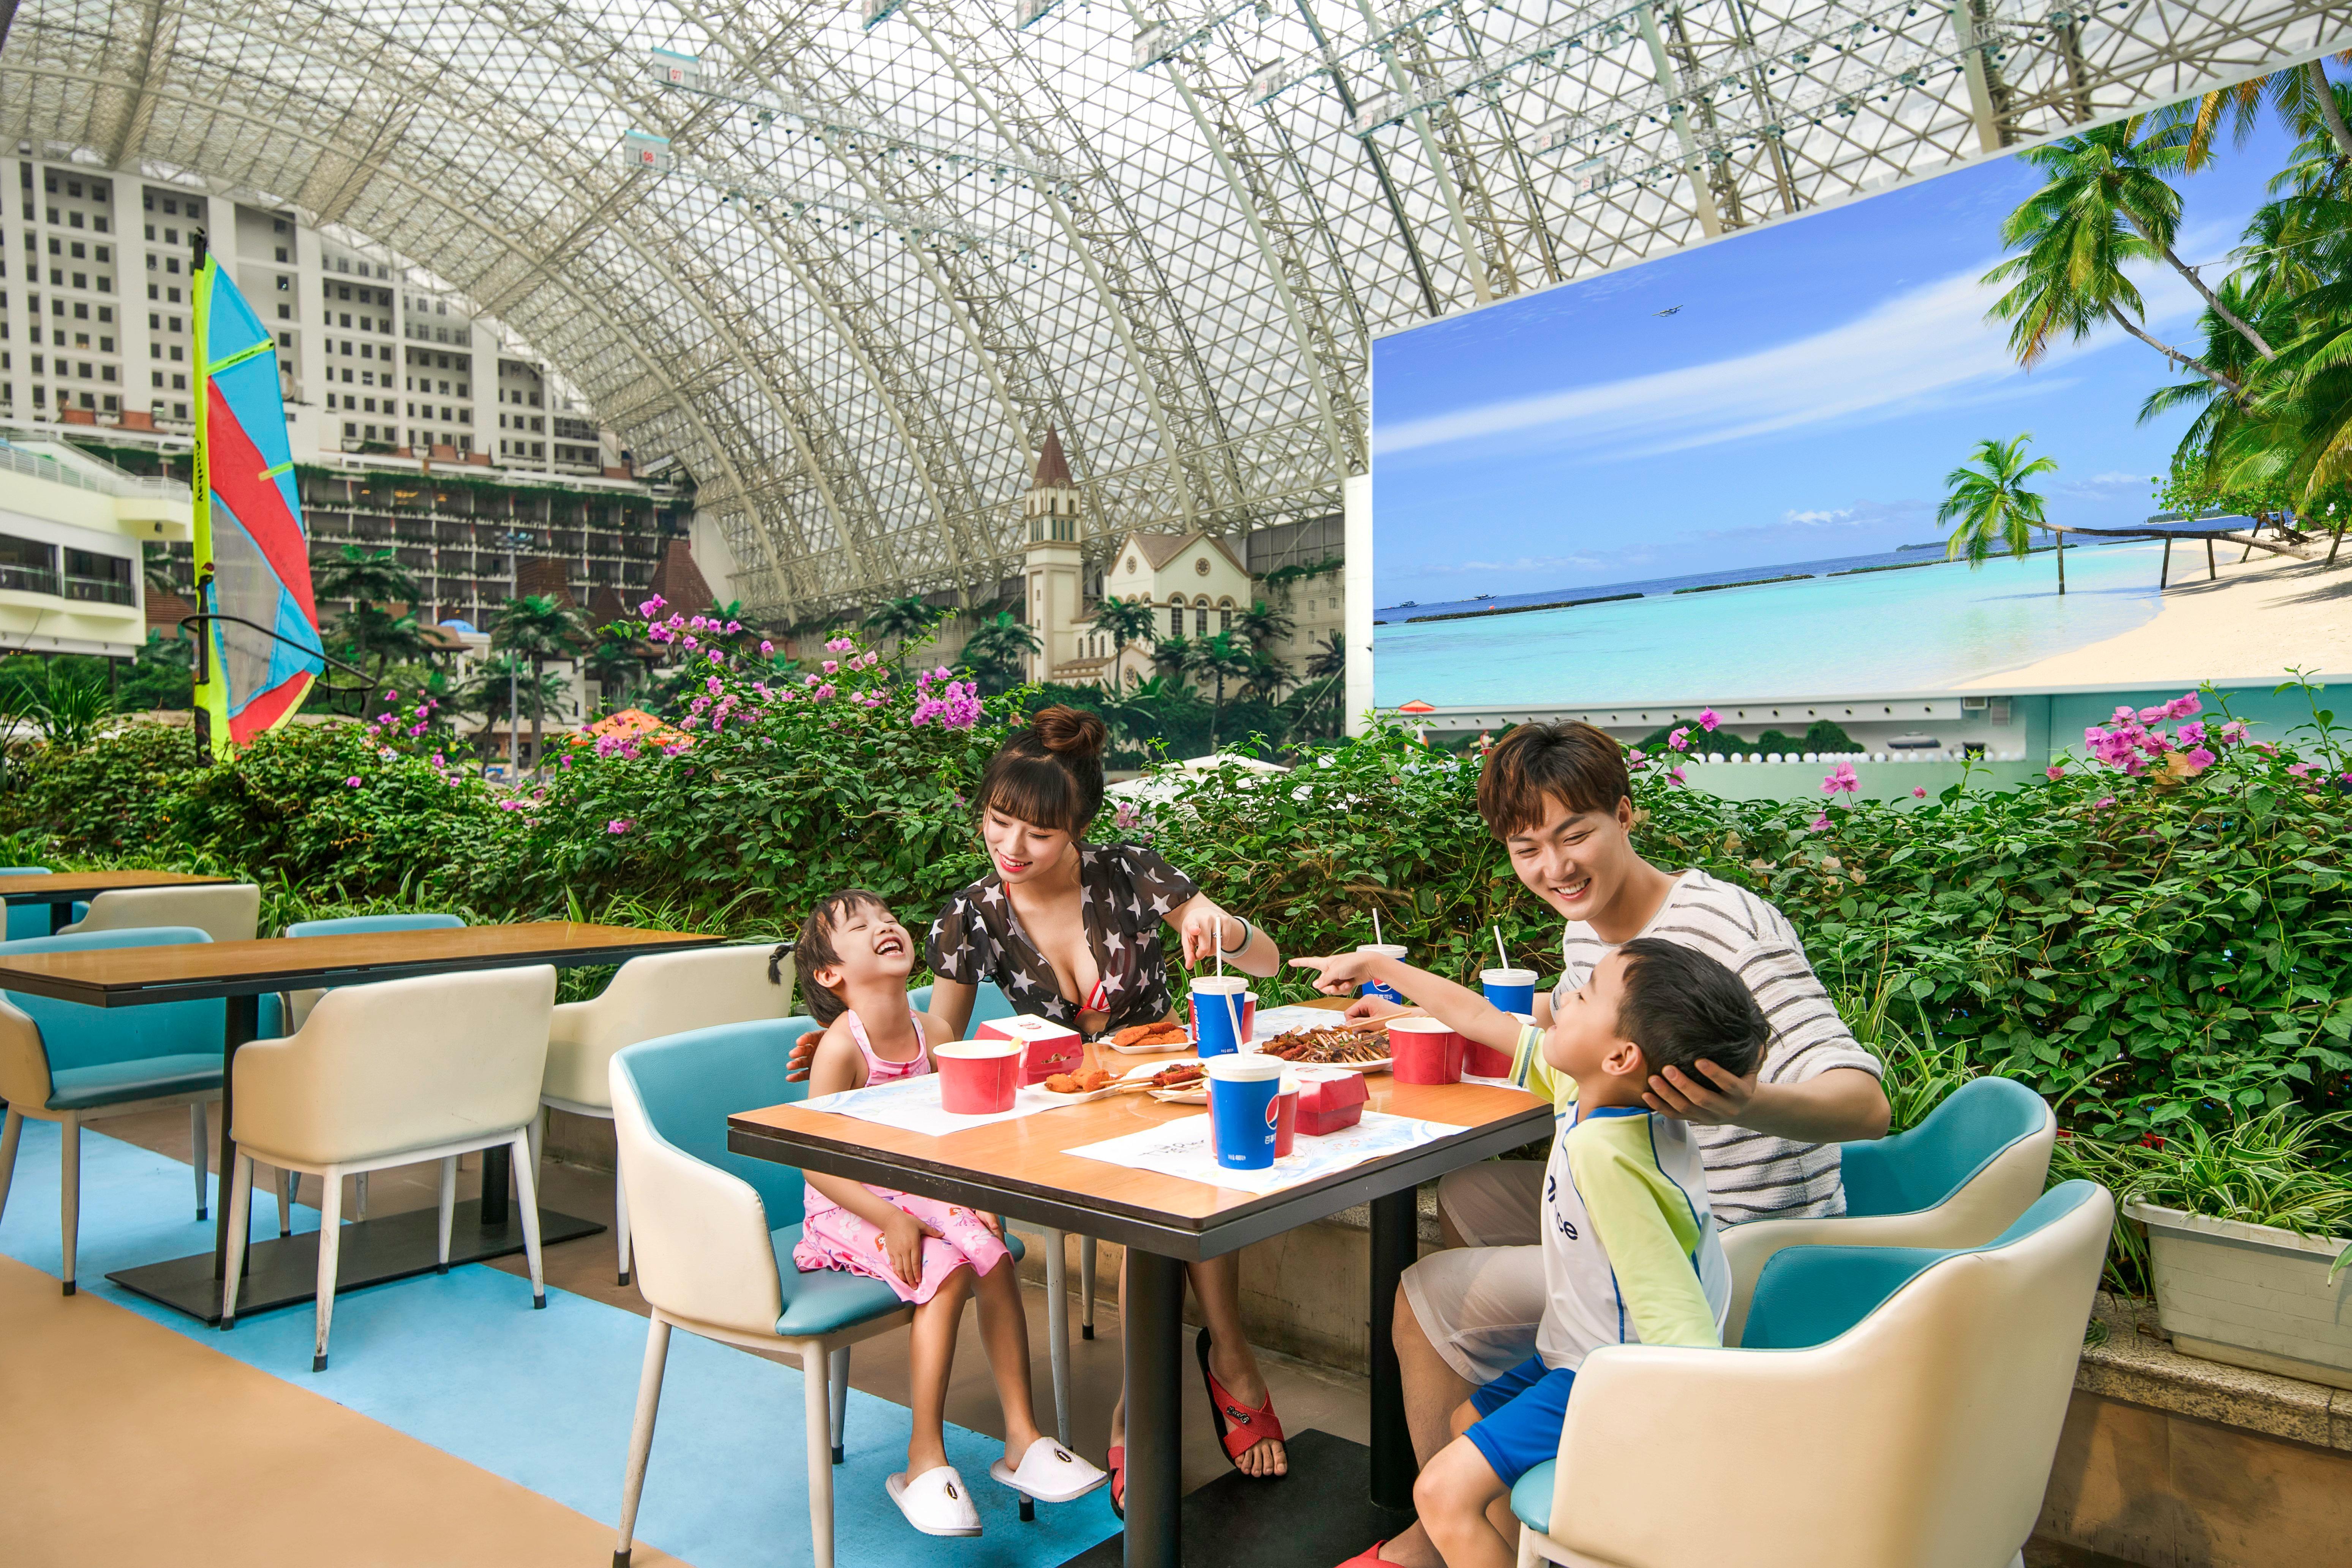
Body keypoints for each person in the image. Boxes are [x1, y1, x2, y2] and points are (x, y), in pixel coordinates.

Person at [1349, 720, 1890, 1568]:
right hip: (1648, 1194)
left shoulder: (1726, 927)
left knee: (1422, 1302)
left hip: (1735, 1237)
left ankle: (1440, 1529)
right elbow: (1558, 1045)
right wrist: (1405, 996)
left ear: (1625, 816)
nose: (1555, 869)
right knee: (1466, 1195)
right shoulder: (1591, 930)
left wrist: (1745, 1103)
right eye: (1528, 848)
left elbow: (1865, 1106)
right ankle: (1535, 1476)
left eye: (1575, 835)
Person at [787, 706, 1291, 1507]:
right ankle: (1222, 1366)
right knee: (1159, 1216)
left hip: (1165, 1086)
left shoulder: (1133, 872)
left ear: (1079, 828)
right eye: (997, 824)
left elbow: (1265, 962)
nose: (1013, 849)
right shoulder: (969, 914)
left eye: (1039, 834)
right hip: (1057, 1112)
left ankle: (1152, 1401)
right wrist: (860, 1034)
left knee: (1195, 1187)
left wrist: (1214, 920)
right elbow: (944, 1040)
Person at [1297, 937, 1770, 1568]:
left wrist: (1674, 1448)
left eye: (1587, 993)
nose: (1563, 998)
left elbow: (1678, 1326)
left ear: (1622, 1054)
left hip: (1608, 1377)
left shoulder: (1611, 1160)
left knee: (1440, 1493)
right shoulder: (1598, 1095)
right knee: (1466, 1421)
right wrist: (1380, 968)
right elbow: (1480, 1019)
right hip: (1572, 1354)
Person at [783, 888, 1106, 1537]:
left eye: (887, 917)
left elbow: (956, 1131)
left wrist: (974, 1197)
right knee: (949, 1267)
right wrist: (892, 1218)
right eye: (860, 926)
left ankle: (1023, 1438)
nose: (885, 926)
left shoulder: (936, 1034)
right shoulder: (840, 1050)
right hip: (848, 1205)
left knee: (990, 1253)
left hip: (917, 1194)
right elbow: (815, 1162)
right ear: (830, 975)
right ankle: (922, 1458)